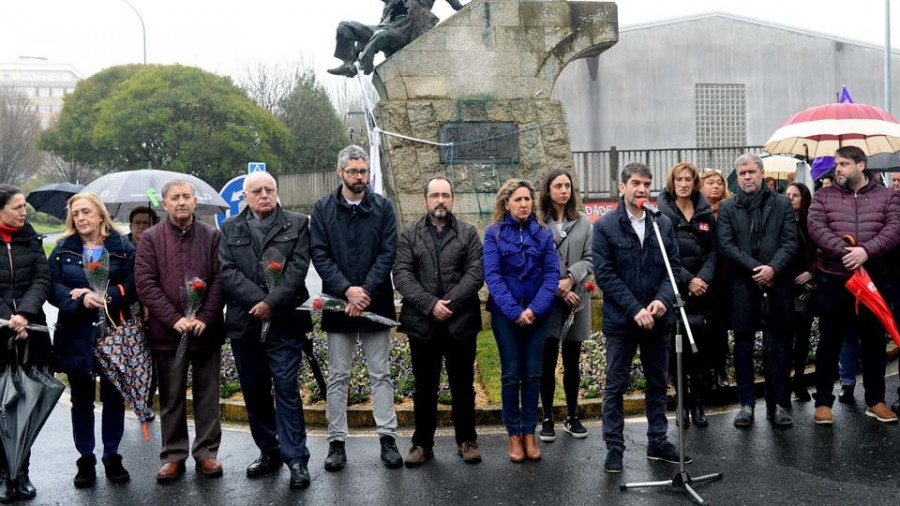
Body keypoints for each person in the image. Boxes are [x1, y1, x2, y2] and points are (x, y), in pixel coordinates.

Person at [310, 145, 402, 471]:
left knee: (381, 375)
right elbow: (320, 254)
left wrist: (364, 292)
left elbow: (387, 252)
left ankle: (388, 438)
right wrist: (347, 291)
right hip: (338, 303)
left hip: (375, 302)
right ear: (340, 172)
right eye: (353, 172)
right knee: (338, 377)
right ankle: (336, 442)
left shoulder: (383, 207)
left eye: (363, 171)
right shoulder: (322, 209)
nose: (359, 177)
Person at [219, 172, 313, 489]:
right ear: (244, 196)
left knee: (286, 390)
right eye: (256, 191)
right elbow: (227, 272)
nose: (264, 195)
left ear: (276, 192)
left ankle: (297, 459)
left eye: (269, 190)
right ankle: (269, 452)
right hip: (245, 324)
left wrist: (271, 303)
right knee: (254, 392)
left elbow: (298, 269)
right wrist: (258, 301)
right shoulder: (230, 228)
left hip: (284, 323)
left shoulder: (297, 224)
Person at [593, 162, 686, 474]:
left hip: (658, 320)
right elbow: (605, 275)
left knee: (658, 382)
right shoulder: (605, 226)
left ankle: (658, 442)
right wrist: (635, 309)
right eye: (635, 183)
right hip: (622, 322)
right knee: (615, 385)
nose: (642, 189)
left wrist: (661, 300)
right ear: (622, 187)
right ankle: (614, 448)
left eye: (647, 184)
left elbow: (672, 267)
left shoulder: (663, 224)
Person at [134, 179, 226, 483]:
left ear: (195, 202)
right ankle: (173, 456)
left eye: (187, 196)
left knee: (207, 395)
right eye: (175, 197)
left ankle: (207, 453)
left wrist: (206, 318)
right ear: (165, 203)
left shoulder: (212, 236)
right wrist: (174, 319)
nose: (181, 202)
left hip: (205, 333)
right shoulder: (150, 238)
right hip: (167, 335)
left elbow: (220, 281)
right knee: (171, 397)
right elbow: (146, 284)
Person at [393, 175, 484, 467]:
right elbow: (402, 276)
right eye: (435, 195)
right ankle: (422, 444)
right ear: (425, 200)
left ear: (452, 199)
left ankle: (466, 441)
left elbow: (475, 274)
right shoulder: (409, 234)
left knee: (463, 386)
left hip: (461, 323)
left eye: (445, 195)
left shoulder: (468, 233)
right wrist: (431, 305)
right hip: (422, 324)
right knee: (424, 387)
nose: (440, 200)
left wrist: (450, 304)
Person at [807, 146, 900, 425]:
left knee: (873, 343)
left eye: (844, 164)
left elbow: (894, 229)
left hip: (873, 281)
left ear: (861, 165)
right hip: (834, 280)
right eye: (837, 164)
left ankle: (876, 400)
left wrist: (866, 252)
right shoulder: (824, 195)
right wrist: (846, 252)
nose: (838, 169)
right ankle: (823, 403)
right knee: (829, 343)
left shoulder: (887, 196)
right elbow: (816, 227)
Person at [48, 192, 134, 488]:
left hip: (112, 330)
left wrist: (107, 297)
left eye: (86, 212)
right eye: (76, 214)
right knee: (81, 398)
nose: (81, 218)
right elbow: (52, 286)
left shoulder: (122, 246)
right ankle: (85, 457)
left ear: (100, 215)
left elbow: (134, 284)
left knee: (114, 396)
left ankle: (112, 455)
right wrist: (81, 299)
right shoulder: (62, 249)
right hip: (75, 332)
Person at [717, 153, 797, 428]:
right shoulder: (727, 208)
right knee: (743, 347)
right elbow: (726, 245)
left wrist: (772, 269)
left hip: (777, 285)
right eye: (742, 173)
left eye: (752, 172)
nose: (747, 177)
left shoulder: (782, 203)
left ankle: (780, 404)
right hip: (743, 288)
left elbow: (790, 243)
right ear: (737, 177)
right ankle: (746, 404)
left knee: (780, 347)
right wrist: (757, 269)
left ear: (762, 173)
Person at [483, 178, 559, 463]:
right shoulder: (494, 234)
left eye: (528, 199)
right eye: (518, 200)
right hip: (506, 316)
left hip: (538, 316)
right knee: (511, 373)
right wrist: (515, 311)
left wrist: (534, 310)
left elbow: (552, 274)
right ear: (506, 203)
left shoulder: (543, 233)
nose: (525, 204)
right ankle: (514, 434)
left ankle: (530, 432)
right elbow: (493, 275)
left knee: (533, 374)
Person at [0, 185, 52, 502]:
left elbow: (42, 278)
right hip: (2, 331)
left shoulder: (31, 237)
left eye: (24, 207)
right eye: (17, 207)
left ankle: (23, 472)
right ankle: (5, 474)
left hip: (32, 331)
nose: (24, 212)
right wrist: (9, 319)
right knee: (3, 406)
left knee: (28, 404)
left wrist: (26, 314)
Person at [657, 162, 717, 428]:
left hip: (703, 291)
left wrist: (702, 278)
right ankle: (681, 403)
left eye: (688, 180)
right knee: (676, 350)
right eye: (679, 179)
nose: (683, 184)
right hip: (675, 290)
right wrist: (688, 279)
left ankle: (698, 403)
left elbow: (714, 250)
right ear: (672, 182)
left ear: (695, 183)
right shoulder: (661, 213)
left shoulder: (705, 212)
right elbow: (663, 255)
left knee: (702, 352)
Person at [536, 169, 592, 442]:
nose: (563, 190)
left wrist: (570, 279)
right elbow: (534, 263)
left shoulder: (583, 222)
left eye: (567, 185)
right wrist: (557, 288)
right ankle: (547, 418)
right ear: (547, 190)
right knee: (546, 362)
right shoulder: (537, 224)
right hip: (547, 301)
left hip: (577, 299)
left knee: (572, 362)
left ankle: (572, 415)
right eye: (558, 185)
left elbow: (592, 258)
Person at [327, 0, 464, 76]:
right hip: (382, 29)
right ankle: (348, 62)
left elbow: (455, 4)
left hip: (402, 36)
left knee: (380, 36)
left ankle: (361, 65)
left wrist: (461, 7)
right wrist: (359, 47)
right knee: (344, 27)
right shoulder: (390, 4)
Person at [125, 205, 160, 421]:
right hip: (128, 313)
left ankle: (146, 402)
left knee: (151, 361)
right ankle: (132, 398)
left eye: (145, 223)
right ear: (130, 226)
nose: (141, 227)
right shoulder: (121, 247)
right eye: (137, 223)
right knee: (130, 360)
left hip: (154, 313)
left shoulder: (158, 246)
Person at [699, 168, 732, 387]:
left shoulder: (729, 210)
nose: (716, 186)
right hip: (701, 277)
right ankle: (706, 370)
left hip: (725, 277)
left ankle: (721, 369)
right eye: (710, 182)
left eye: (719, 182)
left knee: (721, 326)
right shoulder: (697, 212)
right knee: (703, 327)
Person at [784, 183, 816, 403]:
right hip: (787, 287)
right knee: (785, 338)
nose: (790, 198)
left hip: (807, 288)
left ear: (804, 199)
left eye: (795, 195)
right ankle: (784, 383)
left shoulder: (811, 224)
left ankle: (800, 381)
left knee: (803, 339)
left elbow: (820, 252)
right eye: (787, 194)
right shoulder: (780, 223)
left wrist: (811, 275)